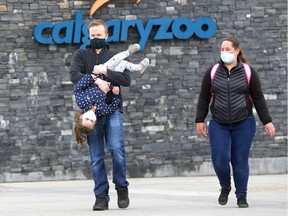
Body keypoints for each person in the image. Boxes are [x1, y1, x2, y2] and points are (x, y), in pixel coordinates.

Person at [70, 19, 145, 211]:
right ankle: (101, 197)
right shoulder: (81, 54)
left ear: (106, 36)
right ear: (89, 36)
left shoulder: (113, 55)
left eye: (99, 35)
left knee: (116, 150)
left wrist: (107, 73)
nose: (96, 38)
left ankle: (121, 188)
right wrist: (96, 80)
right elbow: (74, 76)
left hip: (112, 111)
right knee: (96, 157)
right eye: (93, 35)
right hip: (91, 115)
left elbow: (125, 79)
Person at [195, 37, 275, 208]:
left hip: (244, 122)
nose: (224, 52)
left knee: (239, 160)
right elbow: (204, 97)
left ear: (237, 51)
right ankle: (225, 186)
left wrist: (266, 121)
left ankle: (241, 196)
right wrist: (199, 120)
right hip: (219, 123)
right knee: (219, 159)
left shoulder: (248, 71)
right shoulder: (213, 71)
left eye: (228, 49)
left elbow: (258, 97)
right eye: (222, 49)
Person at [73, 45, 150, 146]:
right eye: (91, 121)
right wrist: (116, 94)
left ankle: (128, 51)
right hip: (110, 80)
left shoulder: (82, 102)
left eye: (87, 119)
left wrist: (94, 79)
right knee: (122, 64)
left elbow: (78, 88)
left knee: (114, 59)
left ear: (81, 116)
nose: (90, 118)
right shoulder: (101, 111)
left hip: (98, 74)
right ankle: (139, 67)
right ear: (95, 122)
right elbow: (112, 106)